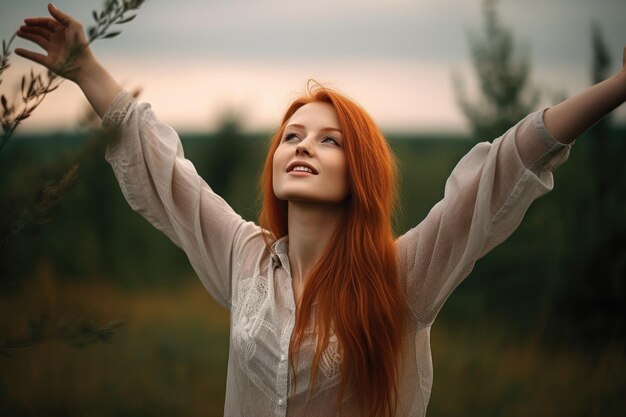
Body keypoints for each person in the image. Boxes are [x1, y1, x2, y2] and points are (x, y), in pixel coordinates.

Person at [15, 4, 626, 417]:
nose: (303, 143)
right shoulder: (243, 257)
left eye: (329, 139)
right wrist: (86, 69)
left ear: (358, 172)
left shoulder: (402, 277)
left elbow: (500, 171)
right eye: (292, 135)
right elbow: (164, 170)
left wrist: (618, 83)